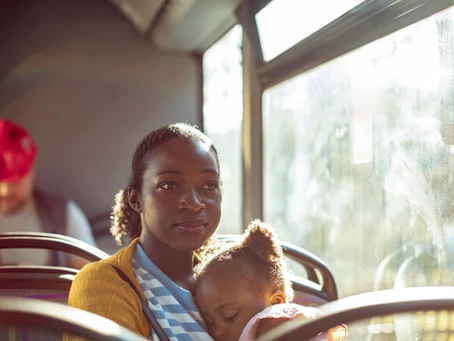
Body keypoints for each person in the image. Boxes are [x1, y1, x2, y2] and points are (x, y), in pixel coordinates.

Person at [66, 122, 223, 340]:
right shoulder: (102, 285)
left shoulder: (232, 281)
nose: (194, 203)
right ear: (136, 200)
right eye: (169, 185)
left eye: (209, 185)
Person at [194, 220, 348, 341]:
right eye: (209, 322)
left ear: (276, 303)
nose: (217, 332)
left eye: (230, 315)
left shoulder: (279, 321)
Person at [0, 119, 96, 268]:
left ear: (32, 170)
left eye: (15, 181)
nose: (5, 190)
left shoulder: (65, 216)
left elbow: (94, 282)